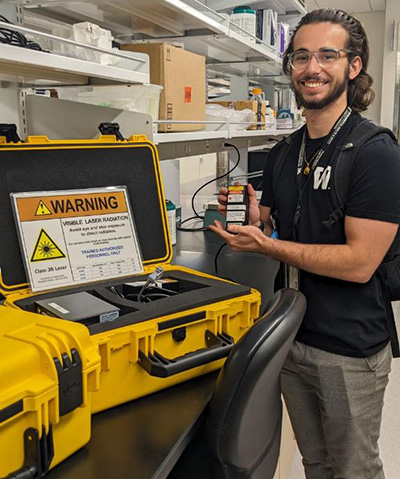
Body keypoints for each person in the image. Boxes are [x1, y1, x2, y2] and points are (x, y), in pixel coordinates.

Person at [209, 8, 400, 479]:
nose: (312, 67)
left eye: (327, 55)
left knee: (353, 468)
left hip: (350, 348)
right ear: (290, 68)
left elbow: (359, 263)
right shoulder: (283, 150)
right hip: (290, 335)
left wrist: (270, 247)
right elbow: (277, 225)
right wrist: (259, 221)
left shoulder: (376, 152)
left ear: (353, 67)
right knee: (315, 463)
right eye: (301, 56)